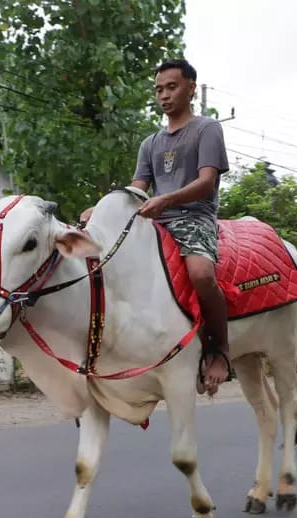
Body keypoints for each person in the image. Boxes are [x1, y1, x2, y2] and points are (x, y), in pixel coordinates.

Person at [81, 58, 231, 395]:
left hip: (195, 218)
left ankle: (220, 349)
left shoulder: (207, 129)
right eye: (159, 89)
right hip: (157, 221)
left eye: (172, 87)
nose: (164, 95)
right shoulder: (150, 143)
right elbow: (137, 189)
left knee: (201, 274)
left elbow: (207, 182)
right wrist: (103, 206)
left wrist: (166, 200)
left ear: (191, 87)